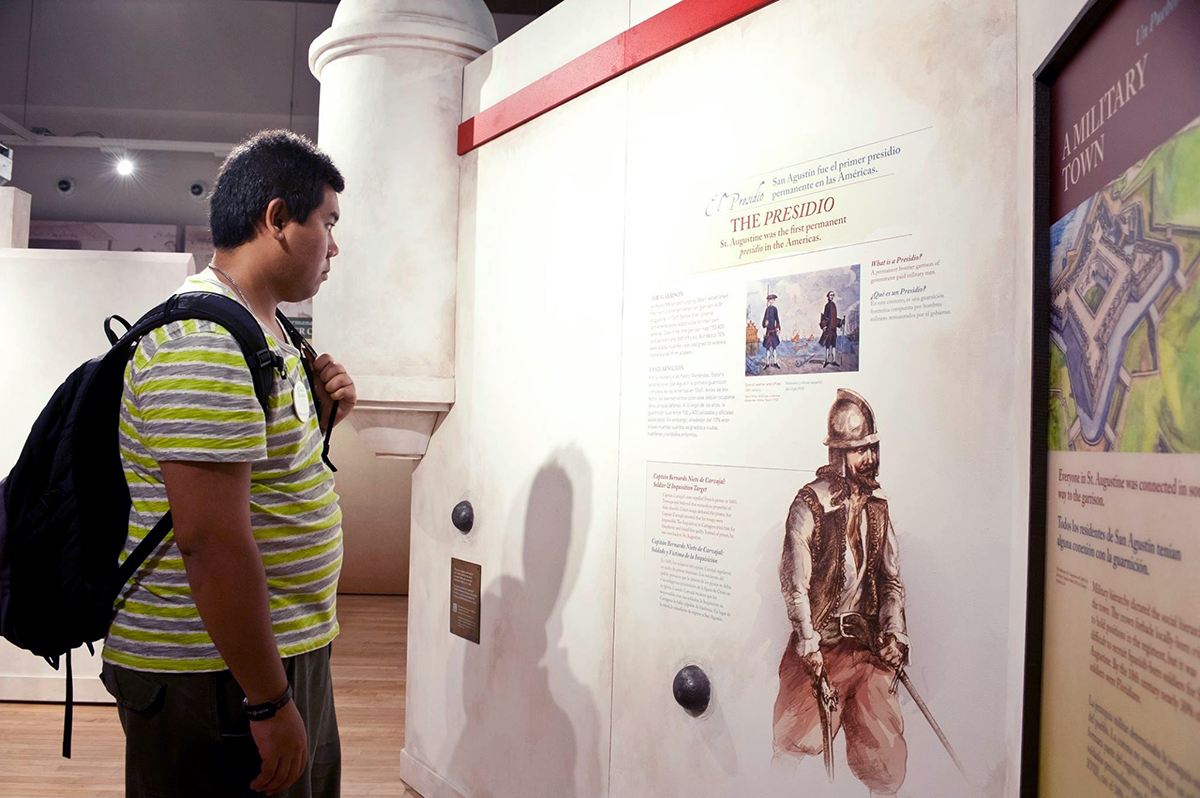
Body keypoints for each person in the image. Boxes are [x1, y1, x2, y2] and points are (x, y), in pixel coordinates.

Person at [101, 129, 356, 798]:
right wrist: (269, 702)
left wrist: (323, 420)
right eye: (326, 222)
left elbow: (269, 480)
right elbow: (209, 543)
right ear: (276, 220)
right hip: (213, 675)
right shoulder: (207, 340)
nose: (334, 246)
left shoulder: (270, 328)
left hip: (266, 655)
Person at [773, 388, 908, 795]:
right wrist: (810, 650)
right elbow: (793, 585)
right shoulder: (809, 505)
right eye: (858, 450)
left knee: (885, 763)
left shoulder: (878, 508)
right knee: (791, 747)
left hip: (867, 653)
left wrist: (895, 636)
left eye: (872, 448)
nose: (869, 459)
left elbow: (891, 583)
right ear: (837, 455)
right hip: (819, 651)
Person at [819, 291, 842, 367]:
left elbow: (834, 318)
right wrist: (824, 326)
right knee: (828, 345)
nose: (831, 297)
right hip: (828, 328)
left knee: (834, 345)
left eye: (832, 295)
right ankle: (826, 360)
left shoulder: (834, 305)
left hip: (833, 329)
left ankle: (834, 360)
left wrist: (840, 322)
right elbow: (825, 317)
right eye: (830, 295)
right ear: (827, 296)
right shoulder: (827, 306)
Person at [762, 293, 782, 369]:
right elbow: (763, 322)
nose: (771, 301)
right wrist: (765, 323)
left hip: (773, 331)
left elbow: (777, 319)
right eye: (770, 299)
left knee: (774, 348)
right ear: (768, 301)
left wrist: (778, 329)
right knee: (767, 348)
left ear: (774, 300)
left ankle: (775, 362)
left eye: (772, 299)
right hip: (768, 332)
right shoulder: (766, 310)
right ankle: (767, 363)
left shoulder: (775, 309)